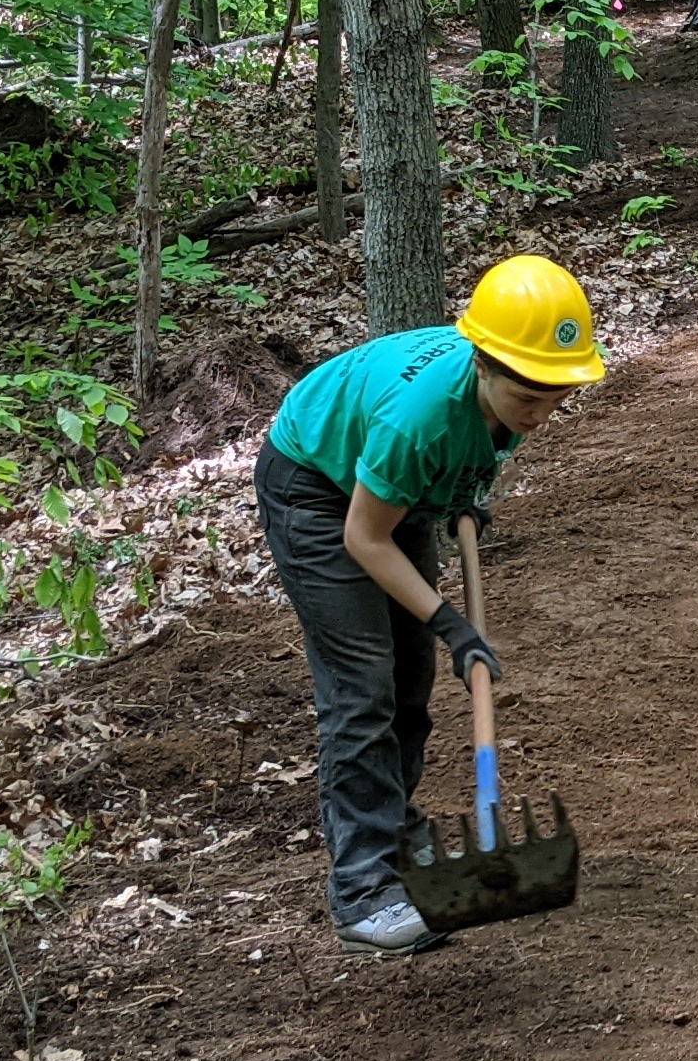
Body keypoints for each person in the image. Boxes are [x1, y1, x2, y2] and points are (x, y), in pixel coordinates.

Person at [256, 256, 607, 954]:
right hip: (319, 492)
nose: (540, 418)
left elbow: (465, 457)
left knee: (409, 684)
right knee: (362, 690)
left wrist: (465, 496)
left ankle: (391, 834)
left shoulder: (502, 391)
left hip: (397, 491)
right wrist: (451, 624)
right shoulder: (420, 422)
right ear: (483, 364)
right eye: (527, 400)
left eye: (556, 399)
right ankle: (361, 891)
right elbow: (364, 534)